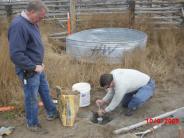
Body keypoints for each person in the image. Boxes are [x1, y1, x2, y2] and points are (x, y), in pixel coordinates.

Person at [8, 0, 58, 133]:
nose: (41, 20)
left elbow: (32, 45)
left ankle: (52, 112)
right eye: (40, 17)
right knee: (31, 97)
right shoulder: (19, 26)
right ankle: (32, 123)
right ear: (31, 12)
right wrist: (33, 67)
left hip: (38, 67)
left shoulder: (32, 22)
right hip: (29, 70)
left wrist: (39, 63)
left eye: (42, 17)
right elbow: (16, 54)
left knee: (45, 90)